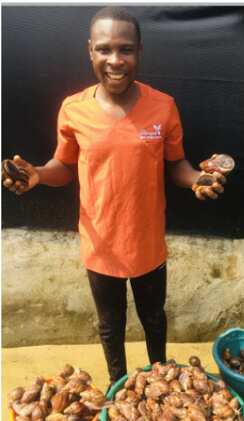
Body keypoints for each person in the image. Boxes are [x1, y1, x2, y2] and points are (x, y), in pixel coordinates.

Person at [1, 6, 228, 387]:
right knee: (111, 326)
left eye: (125, 50)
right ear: (90, 51)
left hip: (148, 243)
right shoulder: (73, 110)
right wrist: (38, 175)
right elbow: (63, 166)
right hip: (100, 243)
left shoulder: (163, 106)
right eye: (104, 50)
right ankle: (118, 387)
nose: (115, 61)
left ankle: (162, 383)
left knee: (154, 318)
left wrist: (198, 181)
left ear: (140, 51)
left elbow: (177, 165)